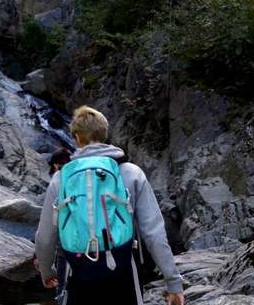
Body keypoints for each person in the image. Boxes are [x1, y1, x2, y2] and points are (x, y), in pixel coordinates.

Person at [35, 105, 184, 305]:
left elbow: (45, 237)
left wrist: (47, 271)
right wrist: (173, 282)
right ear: (105, 134)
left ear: (77, 138)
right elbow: (154, 232)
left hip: (78, 272)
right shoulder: (131, 173)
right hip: (123, 271)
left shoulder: (61, 178)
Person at [35, 147, 72, 304]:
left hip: (68, 250)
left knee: (64, 291)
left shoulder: (59, 180)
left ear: (57, 166)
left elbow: (47, 232)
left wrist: (45, 268)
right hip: (105, 251)